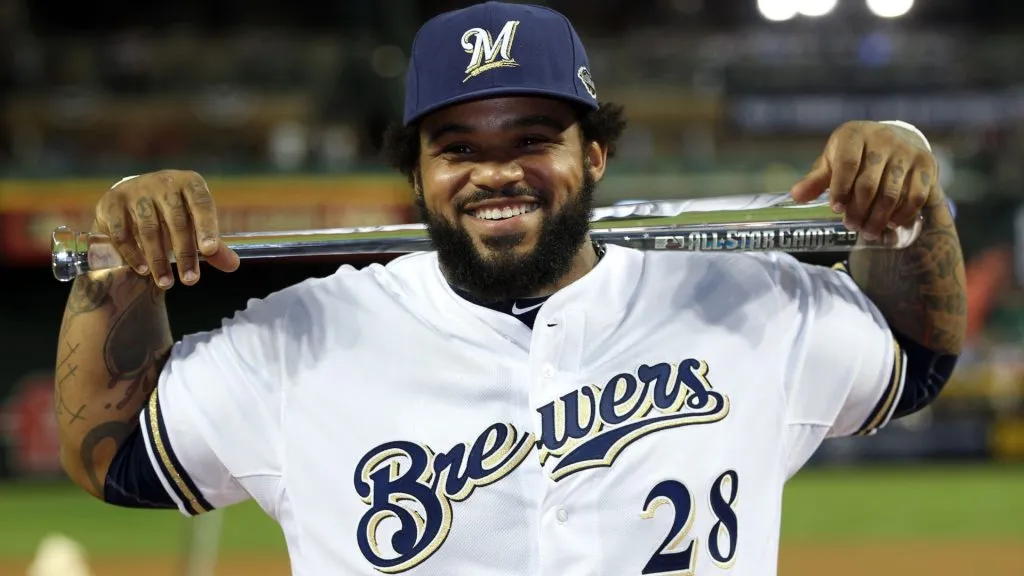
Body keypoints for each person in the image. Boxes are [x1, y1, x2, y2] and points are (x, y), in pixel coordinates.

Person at [54, 2, 966, 574]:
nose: (499, 173)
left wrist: (909, 195)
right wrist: (116, 254)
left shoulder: (747, 303)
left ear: (594, 155)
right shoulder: (304, 338)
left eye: (533, 138)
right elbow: (113, 456)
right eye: (459, 148)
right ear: (416, 174)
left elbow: (916, 358)